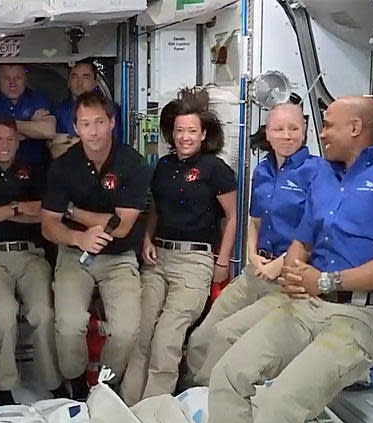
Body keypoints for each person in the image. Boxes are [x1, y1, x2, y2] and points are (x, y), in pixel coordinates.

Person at [205, 96, 373, 423]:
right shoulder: (324, 178)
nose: (320, 134)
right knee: (228, 375)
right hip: (307, 304)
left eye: (327, 125)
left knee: (281, 403)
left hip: (360, 318)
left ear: (355, 128)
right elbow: (302, 240)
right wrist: (293, 268)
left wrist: (326, 280)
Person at [184, 103, 328, 387]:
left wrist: (281, 263)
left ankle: (208, 395)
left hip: (290, 276)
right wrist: (252, 254)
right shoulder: (263, 171)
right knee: (201, 337)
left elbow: (321, 232)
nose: (287, 135)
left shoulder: (319, 173)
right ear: (268, 133)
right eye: (279, 129)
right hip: (257, 271)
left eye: (294, 129)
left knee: (227, 334)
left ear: (305, 131)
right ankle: (191, 393)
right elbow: (255, 221)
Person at [120, 88, 237, 406]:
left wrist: (222, 262)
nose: (185, 137)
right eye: (180, 130)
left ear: (203, 134)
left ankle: (153, 411)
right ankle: (128, 408)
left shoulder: (215, 169)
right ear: (172, 133)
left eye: (192, 131)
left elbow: (232, 216)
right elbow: (155, 209)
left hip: (195, 261)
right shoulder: (163, 166)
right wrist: (147, 238)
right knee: (140, 334)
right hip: (160, 258)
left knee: (167, 339)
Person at [41, 90, 151, 399]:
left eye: (100, 122)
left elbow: (122, 225)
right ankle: (74, 382)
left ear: (112, 123)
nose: (93, 131)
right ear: (75, 127)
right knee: (69, 324)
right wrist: (78, 237)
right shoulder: (63, 167)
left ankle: (106, 383)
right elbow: (49, 225)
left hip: (118, 257)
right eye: (85, 123)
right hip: (75, 254)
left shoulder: (133, 163)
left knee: (128, 330)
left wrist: (73, 212)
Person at [0, 118, 65, 405]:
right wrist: (18, 207)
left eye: (10, 139)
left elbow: (44, 214)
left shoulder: (34, 170)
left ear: (19, 141)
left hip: (31, 254)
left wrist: (1, 210)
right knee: (3, 312)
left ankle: (53, 384)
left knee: (43, 312)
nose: (5, 144)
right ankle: (5, 386)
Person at [0, 64, 56, 168]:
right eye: (6, 78)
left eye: (18, 78)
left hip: (35, 167)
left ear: (26, 79)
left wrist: (0, 126)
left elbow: (48, 131)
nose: (12, 84)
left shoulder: (38, 99)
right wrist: (32, 126)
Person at [49, 60, 121, 159]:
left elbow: (111, 146)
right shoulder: (58, 111)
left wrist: (71, 141)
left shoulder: (110, 108)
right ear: (68, 83)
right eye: (75, 77)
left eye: (86, 77)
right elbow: (55, 150)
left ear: (95, 82)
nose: (79, 82)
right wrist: (91, 143)